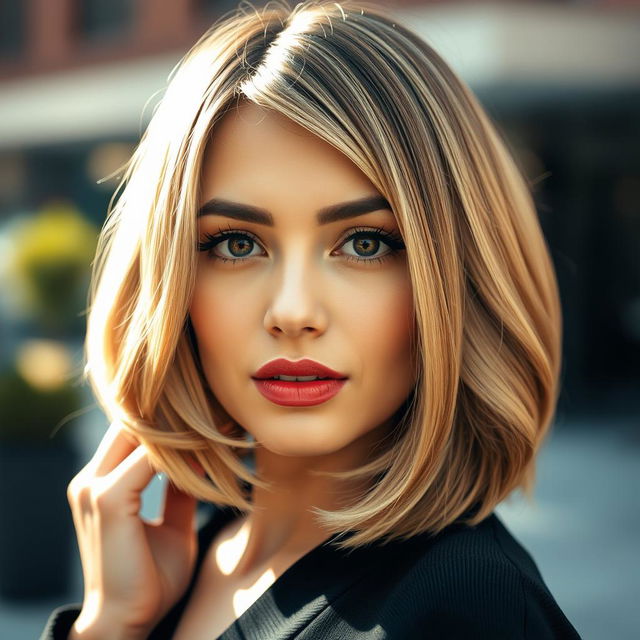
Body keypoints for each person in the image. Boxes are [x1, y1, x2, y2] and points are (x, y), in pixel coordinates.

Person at [40, 1, 582, 638]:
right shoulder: (184, 561)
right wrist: (110, 626)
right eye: (237, 243)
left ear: (456, 278)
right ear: (172, 277)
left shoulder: (466, 606)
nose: (293, 312)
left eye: (366, 243)